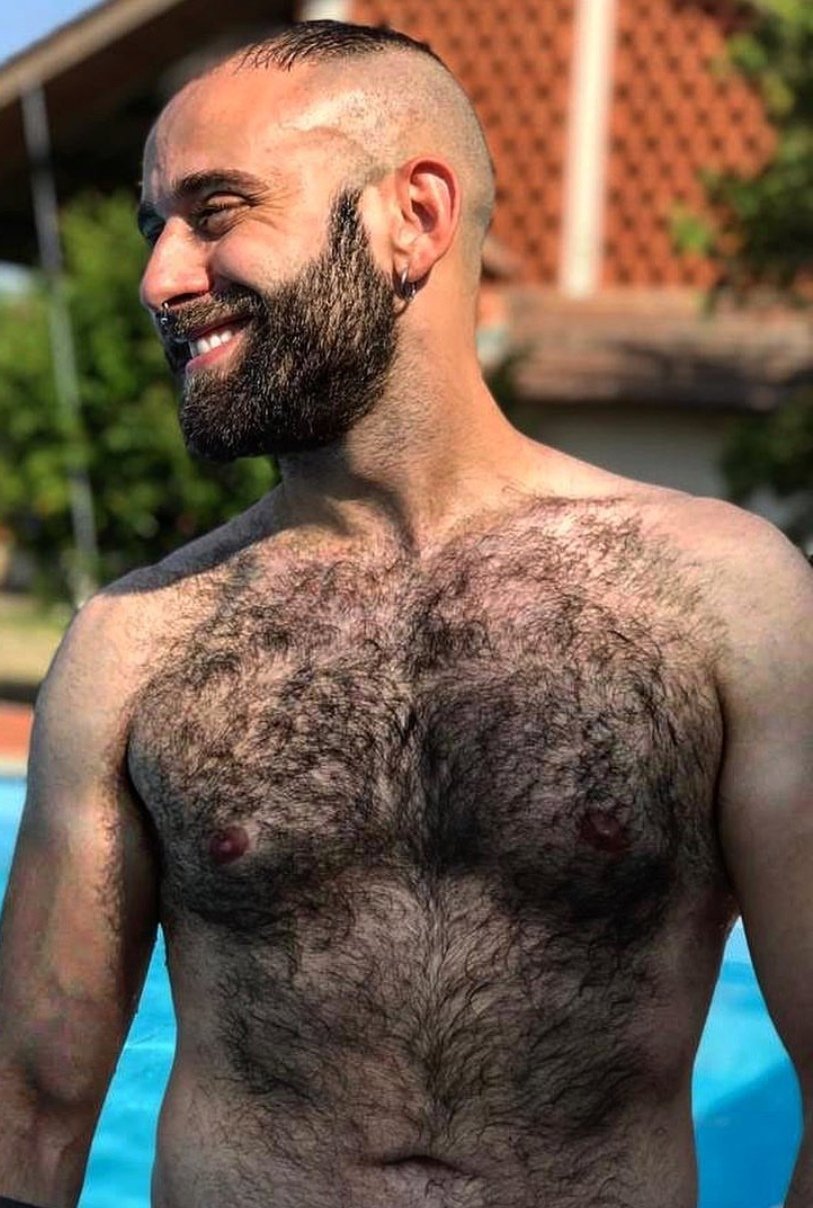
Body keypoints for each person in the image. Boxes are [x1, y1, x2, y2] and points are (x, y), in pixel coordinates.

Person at [0, 18, 811, 1208]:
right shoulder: (139, 643)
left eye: (217, 212)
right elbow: (29, 1109)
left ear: (413, 217)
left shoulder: (725, 600)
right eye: (155, 227)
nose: (160, 277)